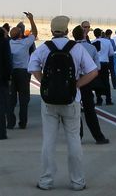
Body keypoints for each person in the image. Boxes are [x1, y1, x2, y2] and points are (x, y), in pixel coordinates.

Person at [29, 15, 100, 192]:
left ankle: (46, 181)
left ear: (52, 30)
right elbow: (93, 72)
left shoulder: (44, 48)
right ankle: (77, 181)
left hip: (49, 102)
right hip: (71, 100)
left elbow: (32, 67)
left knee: (49, 142)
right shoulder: (77, 48)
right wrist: (76, 85)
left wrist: (44, 82)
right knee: (74, 141)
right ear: (67, 31)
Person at [72, 26, 109, 144]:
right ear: (84, 35)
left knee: (75, 110)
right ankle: (98, 136)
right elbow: (97, 67)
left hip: (74, 81)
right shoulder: (91, 48)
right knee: (90, 110)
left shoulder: (71, 48)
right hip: (87, 81)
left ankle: (78, 136)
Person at [8, 13, 38, 130]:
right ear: (21, 34)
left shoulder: (9, 43)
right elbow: (34, 33)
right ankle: (23, 122)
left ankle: (10, 122)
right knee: (23, 99)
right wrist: (31, 19)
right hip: (23, 73)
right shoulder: (25, 43)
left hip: (12, 73)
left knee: (11, 99)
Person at [92, 29, 114, 105]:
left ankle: (99, 99)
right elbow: (111, 53)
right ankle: (108, 99)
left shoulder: (93, 42)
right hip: (105, 63)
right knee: (106, 82)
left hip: (96, 64)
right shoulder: (107, 41)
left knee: (97, 82)